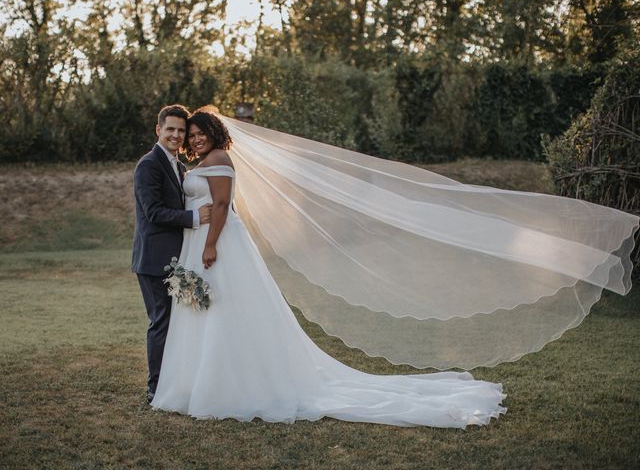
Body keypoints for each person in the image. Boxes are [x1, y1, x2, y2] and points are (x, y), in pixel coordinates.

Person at [150, 106, 508, 428]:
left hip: (218, 243)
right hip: (198, 242)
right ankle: (198, 382)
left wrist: (211, 244)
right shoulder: (199, 163)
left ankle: (224, 386)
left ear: (214, 134)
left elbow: (224, 205)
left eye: (200, 134)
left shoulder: (219, 161)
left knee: (224, 311)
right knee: (208, 312)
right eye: (191, 135)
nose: (194, 139)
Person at [131, 104, 212, 404]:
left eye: (181, 130)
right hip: (153, 259)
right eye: (171, 130)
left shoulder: (178, 167)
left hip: (178, 259)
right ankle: (155, 387)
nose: (176, 135)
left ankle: (173, 383)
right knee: (162, 322)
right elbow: (153, 212)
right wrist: (194, 218)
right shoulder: (148, 165)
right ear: (158, 130)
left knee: (178, 323)